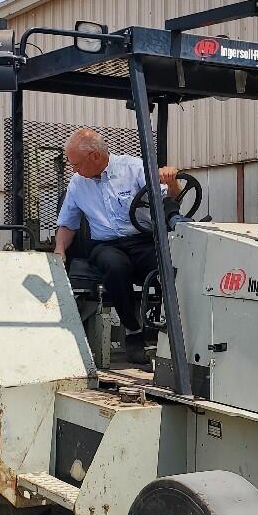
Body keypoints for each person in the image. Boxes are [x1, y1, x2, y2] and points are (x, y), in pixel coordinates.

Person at [54, 128, 179, 365]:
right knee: (115, 266)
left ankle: (171, 332)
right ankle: (133, 332)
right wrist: (59, 251)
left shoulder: (134, 168)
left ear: (95, 156)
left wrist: (172, 182)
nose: (73, 170)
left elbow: (168, 199)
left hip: (143, 239)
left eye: (76, 164)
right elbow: (67, 223)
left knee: (171, 265)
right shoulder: (77, 183)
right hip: (106, 244)